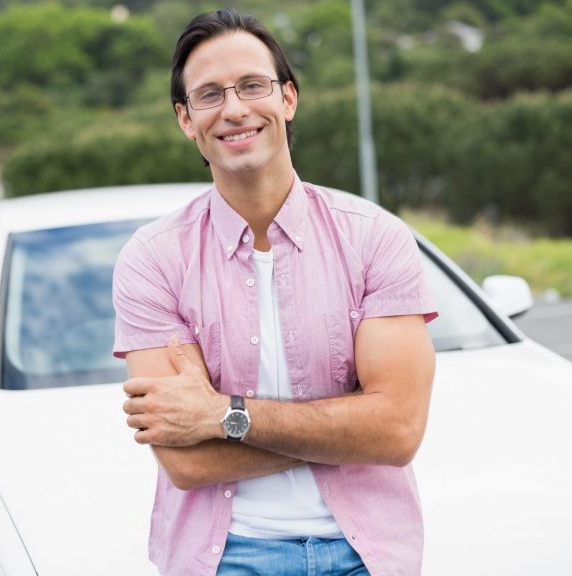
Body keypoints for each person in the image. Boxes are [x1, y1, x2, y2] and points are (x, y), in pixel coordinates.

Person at [113, 8, 438, 576]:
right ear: (186, 121)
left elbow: (397, 431)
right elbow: (184, 462)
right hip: (224, 557)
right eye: (209, 94)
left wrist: (223, 415)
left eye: (252, 86)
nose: (234, 108)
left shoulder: (373, 238)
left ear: (287, 99)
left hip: (366, 552)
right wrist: (344, 428)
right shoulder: (153, 259)